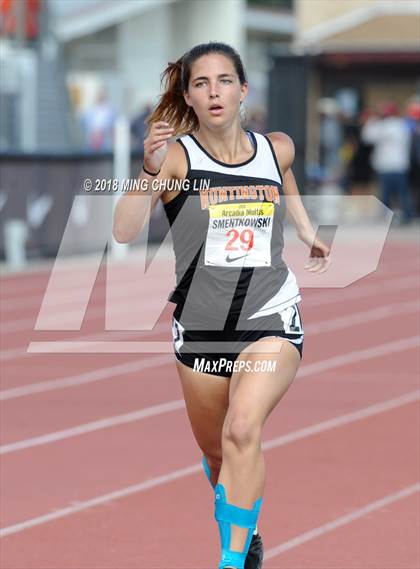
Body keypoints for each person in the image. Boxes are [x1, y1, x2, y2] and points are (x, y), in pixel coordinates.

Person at [113, 42, 330, 569]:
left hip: (270, 315)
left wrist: (306, 230)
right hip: (204, 327)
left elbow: (286, 181)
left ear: (243, 91)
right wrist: (146, 170)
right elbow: (122, 231)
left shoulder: (275, 147)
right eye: (202, 83)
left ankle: (232, 561)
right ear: (188, 95)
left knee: (241, 429)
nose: (215, 92)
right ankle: (245, 525)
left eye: (225, 81)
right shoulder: (177, 158)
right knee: (218, 456)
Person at [361, 101, 413, 224]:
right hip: (400, 165)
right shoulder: (402, 125)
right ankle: (407, 217)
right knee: (403, 194)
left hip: (386, 166)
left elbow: (366, 137)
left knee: (386, 195)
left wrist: (371, 120)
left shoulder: (381, 126)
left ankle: (386, 219)